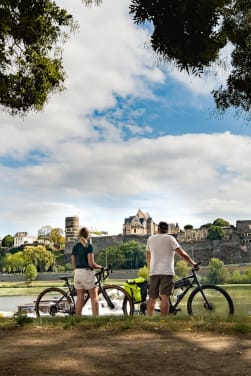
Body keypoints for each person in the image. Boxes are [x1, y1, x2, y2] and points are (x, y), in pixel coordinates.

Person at [146, 221, 198, 316]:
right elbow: (181, 253)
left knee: (152, 297)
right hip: (166, 272)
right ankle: (163, 320)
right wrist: (192, 263)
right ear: (167, 230)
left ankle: (148, 319)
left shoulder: (151, 239)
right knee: (165, 297)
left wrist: (151, 267)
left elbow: (148, 255)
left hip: (154, 272)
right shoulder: (170, 238)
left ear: (158, 229)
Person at [71, 227, 103, 316]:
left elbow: (73, 264)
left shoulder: (75, 247)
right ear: (88, 235)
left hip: (77, 273)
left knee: (80, 298)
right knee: (94, 297)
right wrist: (100, 267)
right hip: (86, 273)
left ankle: (77, 319)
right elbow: (91, 264)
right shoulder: (88, 246)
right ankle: (95, 319)